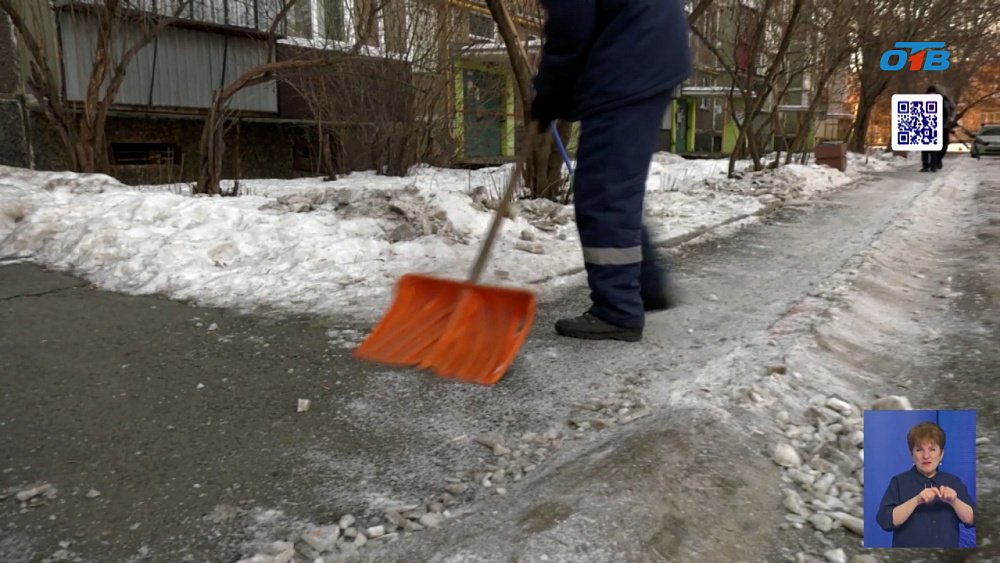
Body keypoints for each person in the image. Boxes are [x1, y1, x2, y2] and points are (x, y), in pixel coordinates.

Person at [530, 0, 692, 341]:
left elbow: (571, 24)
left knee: (604, 192)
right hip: (647, 51)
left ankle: (617, 309)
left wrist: (548, 94)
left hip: (632, 61)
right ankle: (644, 287)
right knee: (617, 186)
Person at [876, 422, 975, 548]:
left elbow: (972, 520)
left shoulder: (953, 481)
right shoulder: (898, 482)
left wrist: (954, 501)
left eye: (932, 449)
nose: (926, 456)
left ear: (941, 454)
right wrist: (917, 500)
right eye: (919, 450)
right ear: (911, 454)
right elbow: (885, 521)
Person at [921, 85, 956, 172]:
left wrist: (949, 120)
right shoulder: (923, 101)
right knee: (926, 148)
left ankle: (935, 162)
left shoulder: (943, 101)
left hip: (942, 126)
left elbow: (949, 111)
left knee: (941, 146)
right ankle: (927, 165)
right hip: (927, 127)